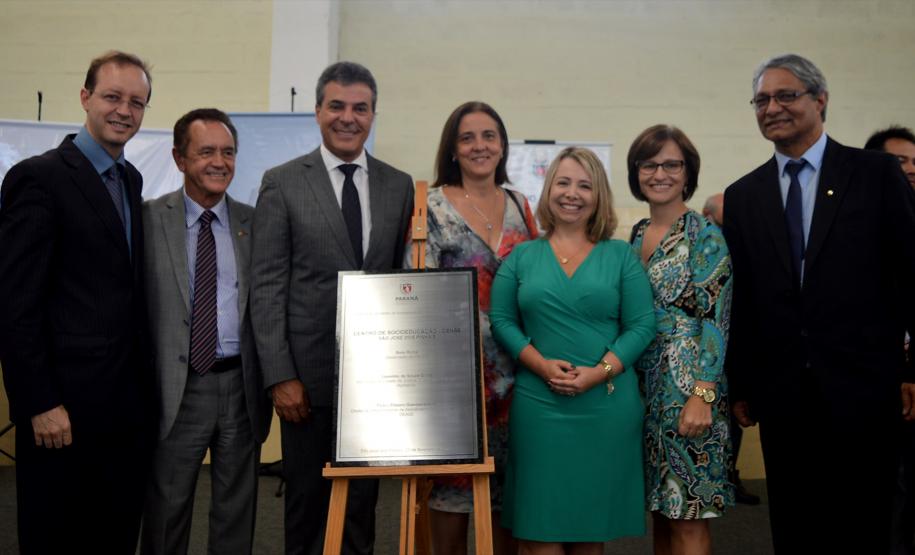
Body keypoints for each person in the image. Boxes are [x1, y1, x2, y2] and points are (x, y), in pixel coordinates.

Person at [723, 53, 915, 553]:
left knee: (865, 524)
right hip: (784, 395)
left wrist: (911, 370)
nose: (772, 107)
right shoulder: (743, 196)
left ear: (820, 100)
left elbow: (910, 273)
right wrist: (741, 382)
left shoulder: (874, 174)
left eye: (786, 95)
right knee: (795, 526)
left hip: (865, 389)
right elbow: (744, 298)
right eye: (761, 99)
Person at [251, 61, 414, 555]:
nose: (349, 118)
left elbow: (400, 279)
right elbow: (266, 285)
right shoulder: (282, 182)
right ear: (318, 111)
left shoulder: (398, 185)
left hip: (375, 383)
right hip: (306, 379)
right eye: (337, 106)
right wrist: (280, 376)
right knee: (306, 504)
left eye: (360, 108)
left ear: (373, 115)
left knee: (363, 507)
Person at [0, 50, 155, 553]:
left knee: (112, 535)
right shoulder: (38, 178)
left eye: (137, 102)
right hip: (61, 412)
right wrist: (39, 402)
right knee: (57, 537)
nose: (124, 111)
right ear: (85, 98)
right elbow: (15, 303)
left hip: (123, 409)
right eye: (112, 97)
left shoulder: (130, 180)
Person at [490, 146, 656, 553]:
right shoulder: (522, 256)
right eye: (563, 182)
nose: (572, 193)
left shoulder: (621, 257)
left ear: (598, 195)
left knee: (588, 535)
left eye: (585, 185)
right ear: (548, 190)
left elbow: (642, 324)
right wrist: (541, 365)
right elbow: (501, 319)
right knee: (537, 535)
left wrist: (600, 372)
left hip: (604, 407)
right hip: (539, 408)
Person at [141, 108, 271, 554]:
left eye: (228, 152)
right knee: (166, 511)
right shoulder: (148, 220)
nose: (220, 162)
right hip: (177, 389)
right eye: (207, 152)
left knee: (237, 512)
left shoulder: (257, 223)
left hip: (241, 386)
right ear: (179, 159)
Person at [415, 101, 538, 555]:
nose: (479, 146)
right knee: (451, 499)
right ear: (452, 148)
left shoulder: (522, 206)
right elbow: (417, 296)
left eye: (489, 136)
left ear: (502, 145)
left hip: (519, 375)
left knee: (508, 502)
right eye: (467, 137)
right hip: (455, 383)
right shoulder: (429, 205)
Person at [627, 125, 734, 555]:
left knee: (689, 514)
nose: (660, 173)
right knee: (661, 509)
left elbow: (718, 319)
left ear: (688, 172)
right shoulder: (636, 233)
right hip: (644, 390)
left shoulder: (705, 234)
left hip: (690, 388)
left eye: (671, 164)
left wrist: (703, 395)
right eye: (649, 164)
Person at [865, 124, 915, 555]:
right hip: (884, 379)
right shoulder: (864, 230)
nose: (910, 169)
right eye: (900, 161)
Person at [700, 193, 761, 508]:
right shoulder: (702, 243)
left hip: (736, 343)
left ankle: (728, 474)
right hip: (704, 348)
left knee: (736, 412)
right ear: (707, 214)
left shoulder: (742, 243)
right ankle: (717, 475)